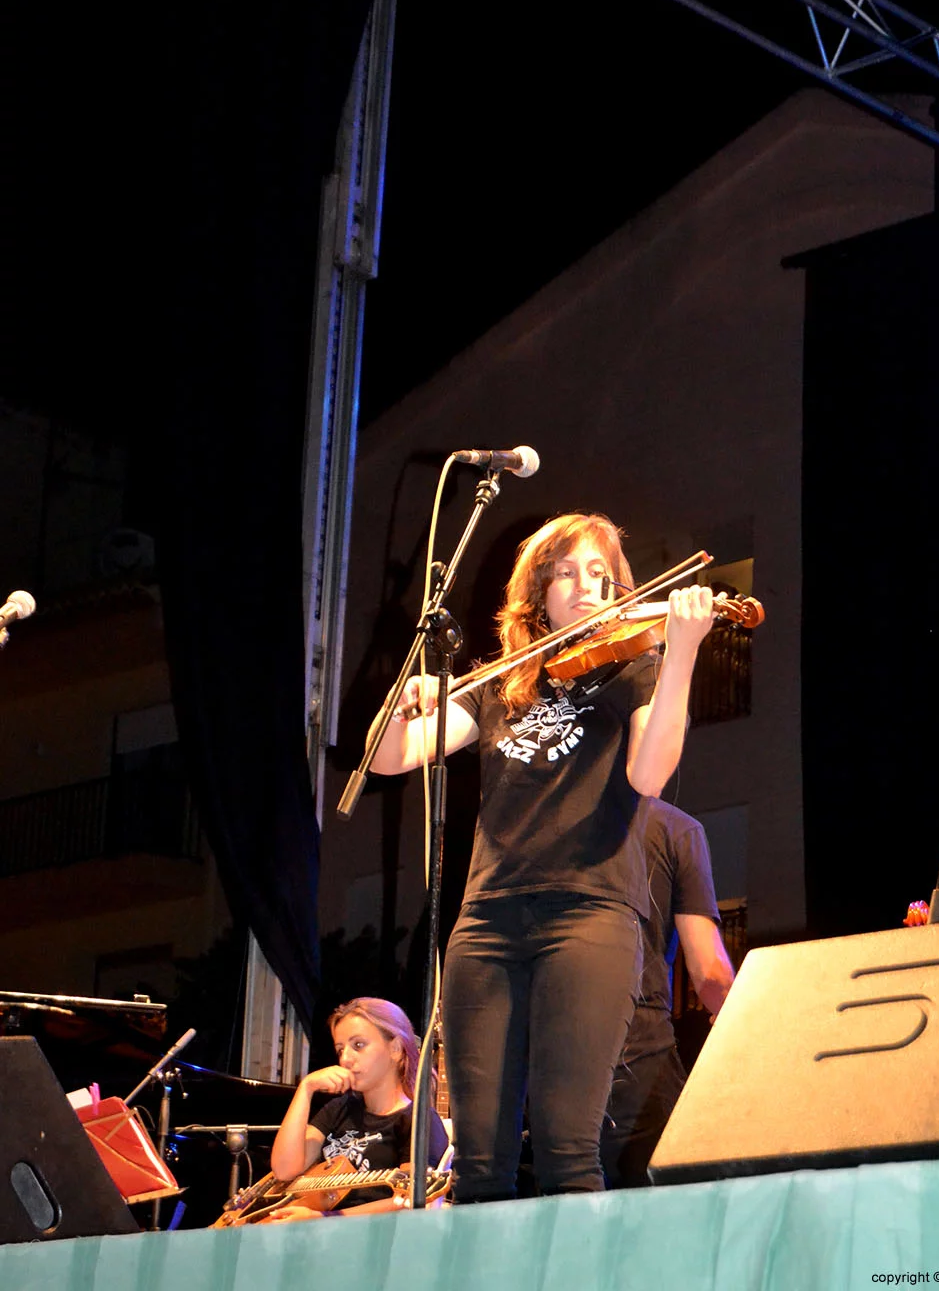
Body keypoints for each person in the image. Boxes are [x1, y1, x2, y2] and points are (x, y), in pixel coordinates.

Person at [369, 512, 714, 1202]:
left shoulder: (634, 670)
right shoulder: (506, 680)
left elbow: (649, 775)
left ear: (618, 588)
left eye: (599, 574)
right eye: (565, 575)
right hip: (488, 923)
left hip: (588, 917)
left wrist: (680, 653)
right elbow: (389, 757)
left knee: (565, 1150)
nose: (584, 588)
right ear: (539, 596)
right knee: (478, 1165)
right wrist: (408, 694)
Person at [601, 796, 734, 1188]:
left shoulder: (555, 820)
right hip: (637, 1057)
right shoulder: (676, 828)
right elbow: (709, 972)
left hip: (556, 1065)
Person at [264, 996, 449, 1221]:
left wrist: (324, 1218)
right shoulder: (339, 1109)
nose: (346, 1059)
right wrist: (306, 1089)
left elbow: (407, 1201)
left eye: (358, 1045)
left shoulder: (419, 1121)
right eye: (340, 1049)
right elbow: (284, 1170)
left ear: (396, 1049)